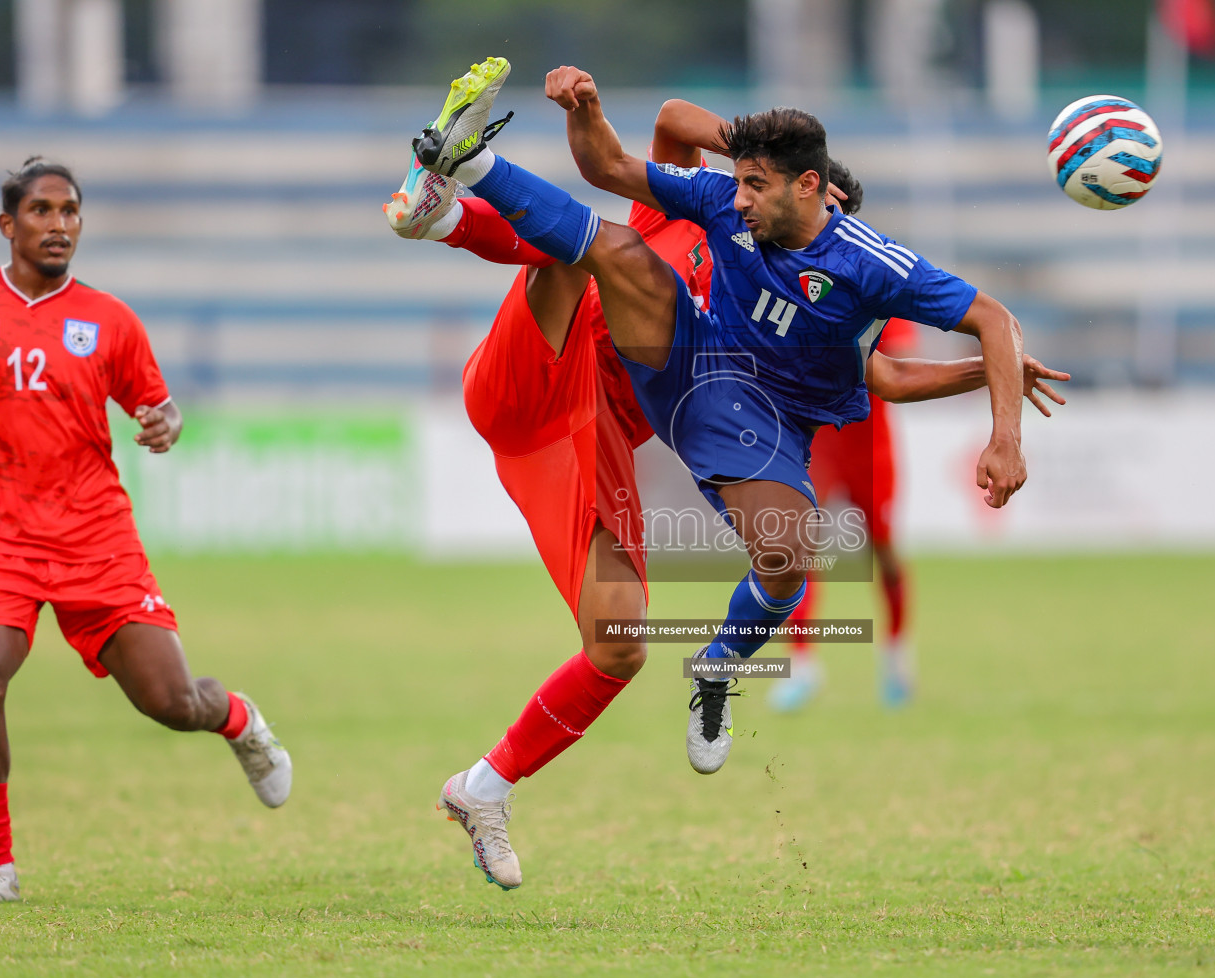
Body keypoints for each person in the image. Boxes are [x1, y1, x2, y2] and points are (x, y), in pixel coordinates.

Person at [385, 93, 1057, 888]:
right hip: (585, 371)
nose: (735, 199)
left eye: (755, 185)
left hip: (663, 421)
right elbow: (629, 152)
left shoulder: (858, 268)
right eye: (735, 180)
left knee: (714, 592)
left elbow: (899, 363)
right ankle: (460, 177)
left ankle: (649, 702)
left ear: (811, 190)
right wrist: (722, 141)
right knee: (606, 248)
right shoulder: (714, 203)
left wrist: (997, 400)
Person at [0, 159, 292, 906]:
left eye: (71, 211)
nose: (59, 225)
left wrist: (162, 423)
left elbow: (160, 404)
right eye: (42, 211)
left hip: (93, 539)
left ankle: (241, 721)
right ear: (8, 225)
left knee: (170, 703)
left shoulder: (109, 320)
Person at [772, 168, 1066, 713]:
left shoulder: (874, 278)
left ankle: (897, 658)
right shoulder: (770, 266)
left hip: (868, 442)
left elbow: (893, 372)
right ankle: (801, 665)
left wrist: (991, 369)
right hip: (814, 442)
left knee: (882, 551)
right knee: (797, 551)